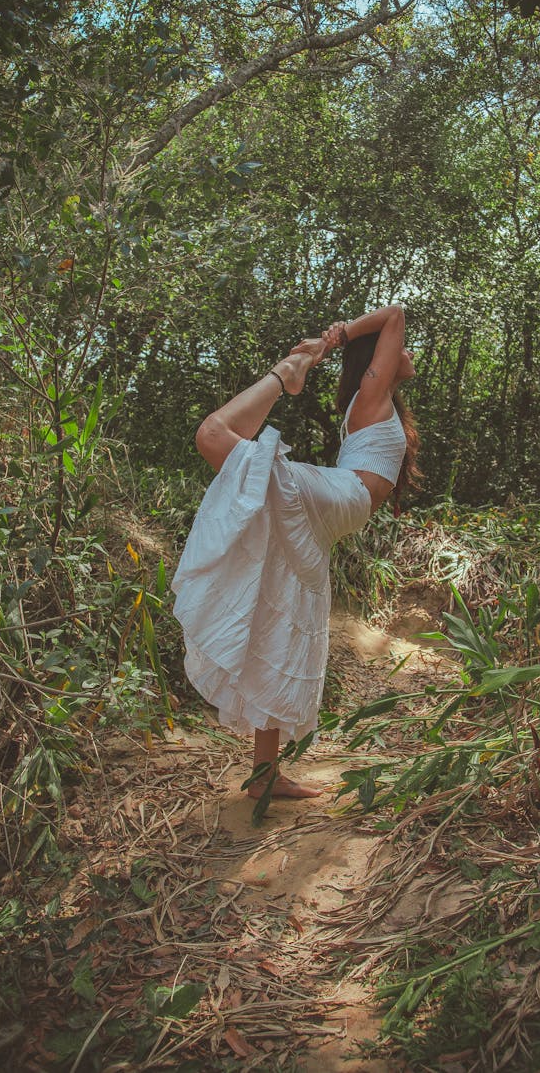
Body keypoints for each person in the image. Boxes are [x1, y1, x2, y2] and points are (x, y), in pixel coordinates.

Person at [171, 304, 418, 800]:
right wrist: (338, 336)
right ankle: (284, 377)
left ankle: (265, 776)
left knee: (281, 622)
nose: (407, 352)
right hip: (338, 495)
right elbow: (396, 314)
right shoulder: (372, 392)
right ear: (378, 360)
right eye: (399, 350)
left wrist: (331, 343)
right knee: (214, 437)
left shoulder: (375, 398)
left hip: (330, 515)